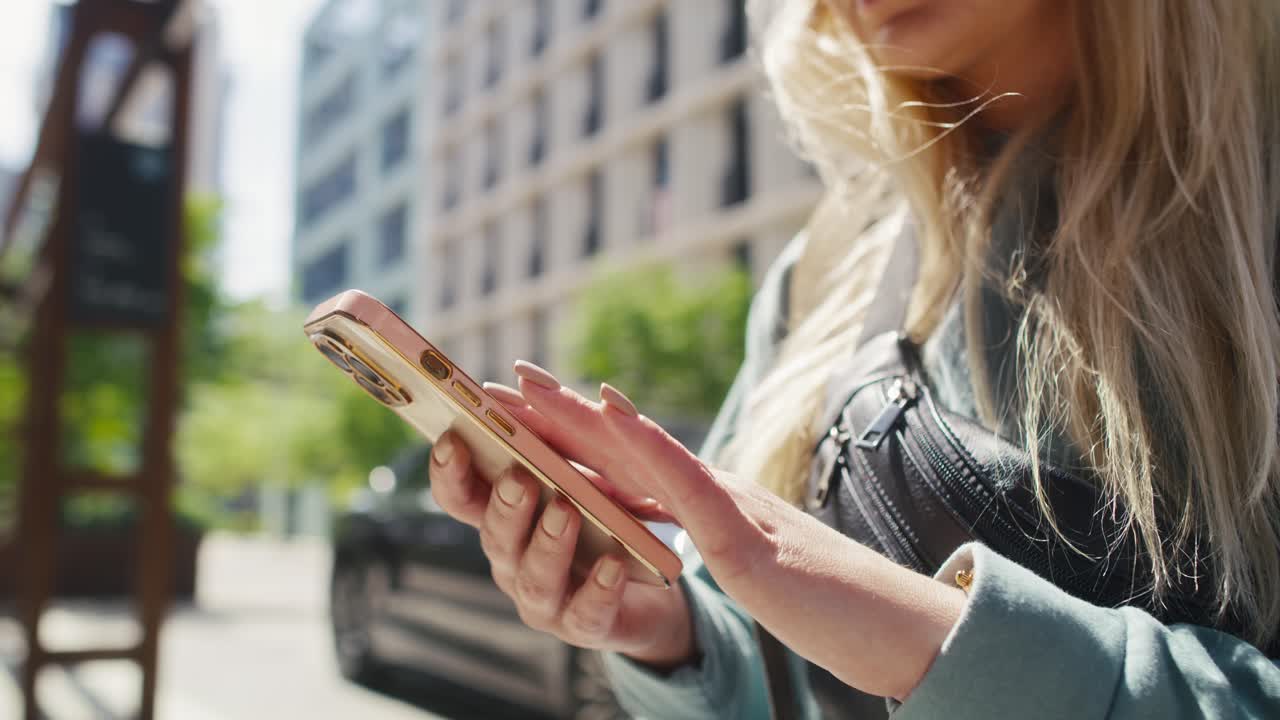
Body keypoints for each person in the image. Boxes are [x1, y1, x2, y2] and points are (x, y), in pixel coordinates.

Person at [427, 0, 1280, 717]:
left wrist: (939, 642)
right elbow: (765, 683)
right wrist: (674, 637)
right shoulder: (828, 270)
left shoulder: (1251, 212)